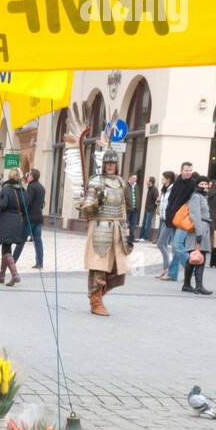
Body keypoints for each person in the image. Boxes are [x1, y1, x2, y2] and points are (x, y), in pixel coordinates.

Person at [61, 102, 130, 315]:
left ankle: (99, 296)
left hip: (117, 229)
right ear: (104, 164)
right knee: (98, 268)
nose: (110, 166)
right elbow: (87, 208)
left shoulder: (120, 182)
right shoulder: (95, 182)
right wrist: (93, 202)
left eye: (113, 163)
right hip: (100, 228)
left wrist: (127, 230)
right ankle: (95, 301)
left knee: (118, 270)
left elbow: (123, 207)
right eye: (107, 163)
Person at [0, 168, 29, 286]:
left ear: (10, 176)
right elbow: (25, 207)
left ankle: (15, 274)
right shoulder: (23, 191)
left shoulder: (6, 189)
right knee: (6, 247)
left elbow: (3, 204)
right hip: (18, 221)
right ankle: (1, 276)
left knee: (6, 248)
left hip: (6, 220)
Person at [165, 162, 198, 281]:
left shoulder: (193, 185)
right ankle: (172, 274)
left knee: (178, 245)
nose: (188, 172)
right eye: (186, 170)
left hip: (184, 219)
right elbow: (171, 199)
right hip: (173, 217)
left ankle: (192, 269)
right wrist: (169, 215)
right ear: (181, 171)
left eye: (190, 170)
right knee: (176, 247)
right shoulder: (177, 182)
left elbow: (194, 202)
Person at [181, 178, 212, 296]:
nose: (204, 185)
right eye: (201, 183)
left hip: (203, 228)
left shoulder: (203, 196)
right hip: (198, 229)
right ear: (197, 185)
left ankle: (187, 285)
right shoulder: (196, 197)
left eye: (206, 183)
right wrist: (199, 232)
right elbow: (195, 215)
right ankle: (198, 286)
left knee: (195, 257)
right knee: (199, 256)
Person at [13, 167, 45, 269]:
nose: (28, 176)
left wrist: (21, 208)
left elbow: (28, 202)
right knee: (38, 240)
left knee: (21, 240)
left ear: (32, 176)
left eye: (29, 175)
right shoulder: (41, 187)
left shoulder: (31, 187)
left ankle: (13, 260)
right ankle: (40, 262)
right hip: (39, 218)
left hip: (29, 218)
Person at [155, 170, 175, 277]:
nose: (161, 179)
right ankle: (165, 269)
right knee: (164, 245)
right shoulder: (164, 190)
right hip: (162, 218)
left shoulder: (172, 190)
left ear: (168, 179)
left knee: (160, 244)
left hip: (169, 220)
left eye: (163, 177)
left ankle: (167, 269)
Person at [141, 176, 158, 241]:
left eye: (147, 181)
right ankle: (142, 237)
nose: (146, 182)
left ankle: (146, 238)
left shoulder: (154, 190)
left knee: (147, 224)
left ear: (151, 182)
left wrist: (151, 208)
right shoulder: (149, 189)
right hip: (147, 210)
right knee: (144, 223)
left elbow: (156, 201)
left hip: (150, 210)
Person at [125, 174, 140, 243]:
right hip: (127, 208)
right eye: (134, 178)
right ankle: (125, 237)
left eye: (136, 179)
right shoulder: (125, 186)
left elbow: (137, 197)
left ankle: (131, 238)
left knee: (133, 224)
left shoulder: (136, 186)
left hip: (135, 209)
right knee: (126, 223)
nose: (135, 180)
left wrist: (138, 206)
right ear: (130, 178)